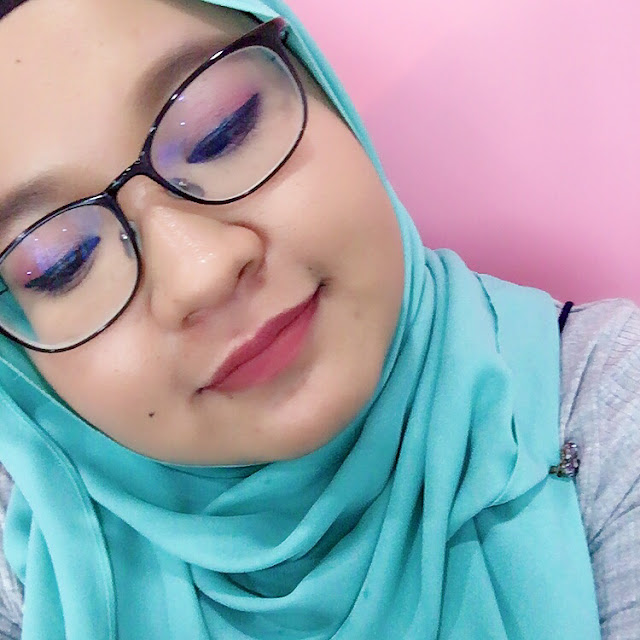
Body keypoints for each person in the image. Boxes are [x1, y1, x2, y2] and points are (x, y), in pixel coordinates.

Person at [0, 0, 638, 638]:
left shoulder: (606, 409)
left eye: (223, 128)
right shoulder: (26, 557)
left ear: (318, 86)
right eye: (62, 263)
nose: (202, 273)